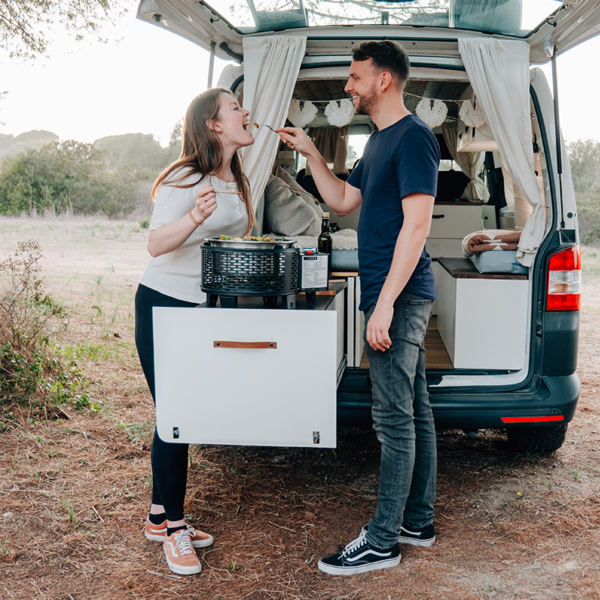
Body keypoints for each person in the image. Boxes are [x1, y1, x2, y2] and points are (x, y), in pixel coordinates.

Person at [277, 41, 440, 576]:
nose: (348, 86)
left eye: (354, 77)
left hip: (401, 293)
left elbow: (417, 227)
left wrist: (385, 303)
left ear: (384, 80)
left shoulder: (414, 138)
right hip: (391, 292)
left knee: (392, 420)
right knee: (414, 411)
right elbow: (345, 201)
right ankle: (417, 521)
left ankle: (383, 539)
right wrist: (312, 155)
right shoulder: (378, 142)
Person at [135, 88, 256, 576]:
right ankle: (176, 531)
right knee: (176, 416)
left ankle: (157, 516)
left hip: (202, 308)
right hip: (163, 303)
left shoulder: (234, 177)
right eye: (235, 107)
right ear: (213, 124)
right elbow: (155, 244)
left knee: (187, 412)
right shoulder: (184, 176)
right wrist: (193, 217)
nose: (245, 112)